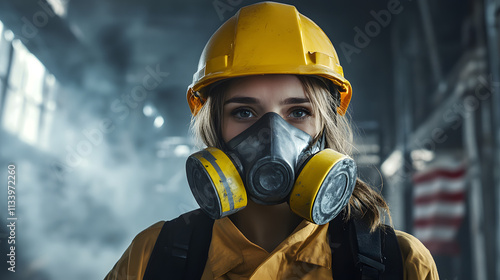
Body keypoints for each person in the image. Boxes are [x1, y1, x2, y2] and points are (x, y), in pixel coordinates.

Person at [105, 2, 439, 279]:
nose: (272, 137)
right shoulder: (152, 258)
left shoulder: (400, 263)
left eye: (297, 113)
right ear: (213, 126)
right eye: (244, 113)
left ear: (325, 125)